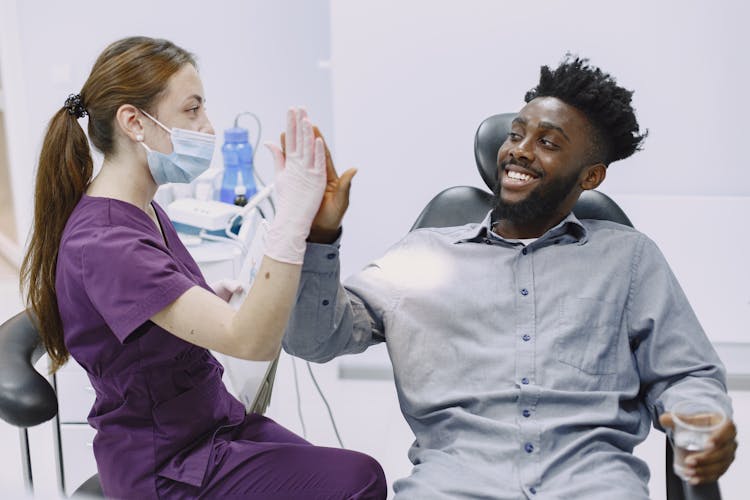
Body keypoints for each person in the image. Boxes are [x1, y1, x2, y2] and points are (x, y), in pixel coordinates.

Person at [282, 56, 738, 499]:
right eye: (516, 135)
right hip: (455, 485)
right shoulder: (423, 255)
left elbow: (687, 374)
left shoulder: (629, 259)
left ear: (591, 176)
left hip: (593, 484)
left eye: (549, 142)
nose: (520, 149)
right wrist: (320, 234)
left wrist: (703, 420)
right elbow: (313, 340)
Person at [19, 36, 386, 499]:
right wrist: (290, 222)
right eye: (192, 111)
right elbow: (250, 342)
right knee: (360, 481)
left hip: (208, 426)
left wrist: (202, 305)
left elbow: (145, 319)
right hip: (166, 466)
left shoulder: (141, 207)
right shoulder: (107, 241)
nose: (208, 127)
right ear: (134, 122)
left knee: (340, 474)